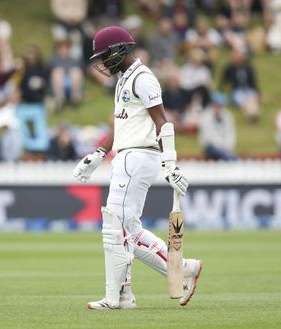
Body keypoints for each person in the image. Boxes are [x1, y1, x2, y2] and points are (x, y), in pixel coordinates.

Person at [73, 26, 202, 310]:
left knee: (115, 228)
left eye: (106, 55)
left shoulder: (143, 79)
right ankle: (183, 270)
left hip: (138, 157)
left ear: (120, 50)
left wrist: (171, 163)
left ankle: (116, 296)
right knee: (129, 229)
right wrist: (98, 153)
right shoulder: (123, 79)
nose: (103, 63)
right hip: (126, 155)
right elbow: (120, 124)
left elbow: (163, 122)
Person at [198, 92, 237, 161]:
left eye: (220, 105)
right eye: (216, 105)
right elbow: (208, 137)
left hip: (225, 148)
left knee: (231, 156)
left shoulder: (228, 116)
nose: (218, 108)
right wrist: (221, 147)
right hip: (211, 147)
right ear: (212, 105)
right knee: (226, 156)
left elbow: (231, 134)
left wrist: (227, 146)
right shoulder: (206, 116)